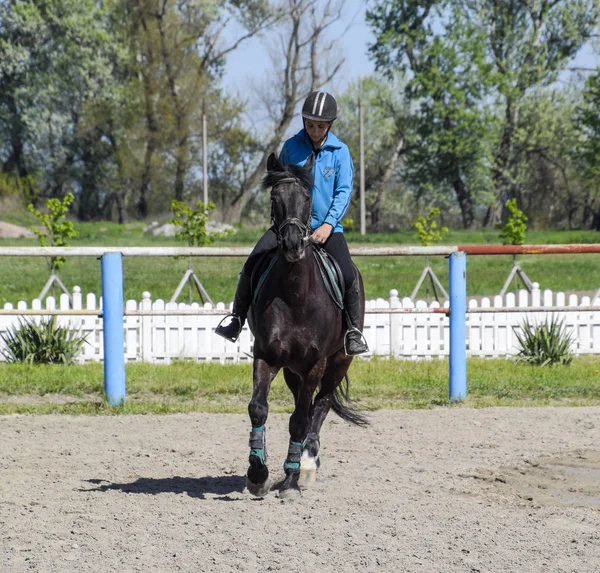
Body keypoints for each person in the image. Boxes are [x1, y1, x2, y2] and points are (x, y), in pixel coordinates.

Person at [215, 90, 369, 355]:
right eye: (310, 124)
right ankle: (237, 319)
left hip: (327, 228)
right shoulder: (291, 148)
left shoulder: (340, 152)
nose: (315, 130)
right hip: (288, 226)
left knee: (347, 274)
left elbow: (344, 192)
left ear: (329, 125)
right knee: (252, 264)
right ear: (303, 121)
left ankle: (353, 332)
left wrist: (328, 225)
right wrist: (283, 222)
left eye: (320, 126)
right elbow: (279, 187)